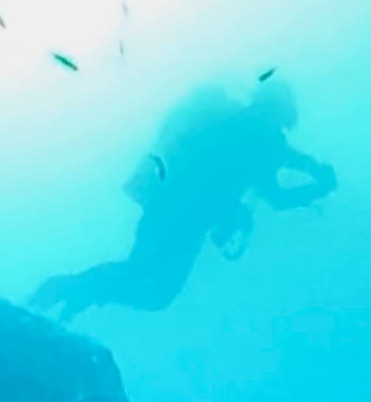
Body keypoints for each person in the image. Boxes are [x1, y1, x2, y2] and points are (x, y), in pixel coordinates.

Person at [32, 80, 335, 323]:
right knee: (156, 290)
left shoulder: (237, 122)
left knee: (142, 275)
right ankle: (68, 290)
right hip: (188, 218)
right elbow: (277, 197)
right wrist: (319, 188)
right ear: (282, 112)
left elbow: (285, 156)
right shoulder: (263, 136)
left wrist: (311, 167)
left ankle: (71, 292)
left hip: (166, 203)